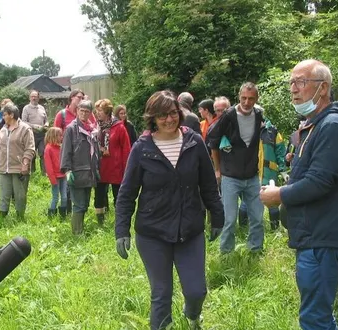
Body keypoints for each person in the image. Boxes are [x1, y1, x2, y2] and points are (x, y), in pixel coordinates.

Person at [260, 59, 338, 330]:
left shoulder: (333, 125)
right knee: (318, 314)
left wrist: (279, 194)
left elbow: (320, 182)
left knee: (314, 318)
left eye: (302, 82)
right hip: (313, 234)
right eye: (291, 82)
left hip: (323, 235)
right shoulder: (314, 124)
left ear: (324, 88)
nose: (294, 89)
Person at [115, 90, 224, 330]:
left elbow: (207, 184)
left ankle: (193, 316)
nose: (169, 119)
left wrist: (217, 216)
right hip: (152, 233)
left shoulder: (194, 142)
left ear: (180, 113)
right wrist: (121, 229)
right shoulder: (142, 148)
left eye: (173, 113)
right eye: (162, 115)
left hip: (190, 230)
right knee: (161, 294)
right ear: (152, 118)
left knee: (196, 290)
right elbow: (127, 192)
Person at [207, 82, 265, 254]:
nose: (247, 102)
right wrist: (218, 170)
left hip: (252, 176)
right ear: (239, 97)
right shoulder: (228, 116)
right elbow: (213, 142)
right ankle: (226, 254)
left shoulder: (259, 115)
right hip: (230, 176)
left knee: (257, 218)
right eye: (244, 98)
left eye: (251, 98)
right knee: (229, 220)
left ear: (257, 99)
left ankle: (255, 250)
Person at [238, 117, 286, 230]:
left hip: (269, 175)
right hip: (250, 175)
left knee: (272, 203)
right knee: (245, 203)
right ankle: (242, 230)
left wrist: (283, 170)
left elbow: (280, 152)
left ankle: (275, 230)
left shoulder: (272, 132)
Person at [60, 100, 100, 235]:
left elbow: (94, 152)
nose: (83, 113)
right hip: (76, 173)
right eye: (81, 110)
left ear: (90, 113)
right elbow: (65, 151)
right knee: (78, 205)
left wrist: (96, 169)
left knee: (85, 205)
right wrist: (67, 170)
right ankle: (77, 233)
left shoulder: (92, 129)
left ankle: (80, 229)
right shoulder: (71, 129)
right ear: (77, 111)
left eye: (87, 111)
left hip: (89, 173)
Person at [93, 99, 131, 224]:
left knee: (118, 195)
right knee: (99, 194)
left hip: (116, 167)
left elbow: (126, 148)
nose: (97, 113)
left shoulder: (119, 126)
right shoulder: (96, 126)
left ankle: (120, 220)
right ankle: (100, 221)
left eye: (100, 110)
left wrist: (127, 168)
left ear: (108, 111)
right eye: (97, 110)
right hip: (101, 166)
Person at [0, 103, 36, 220]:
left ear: (11, 115)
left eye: (4, 115)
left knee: (20, 196)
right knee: (4, 194)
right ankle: (2, 219)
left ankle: (20, 218)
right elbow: (1, 145)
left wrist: (25, 164)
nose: (3, 117)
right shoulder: (3, 129)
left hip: (19, 168)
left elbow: (30, 148)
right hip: (4, 167)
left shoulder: (25, 129)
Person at [22, 90, 49, 174]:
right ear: (29, 98)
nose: (34, 98)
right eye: (32, 96)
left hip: (42, 134)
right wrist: (34, 126)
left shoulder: (42, 108)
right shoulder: (26, 108)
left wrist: (46, 124)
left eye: (35, 96)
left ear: (38, 98)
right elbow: (23, 122)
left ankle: (44, 173)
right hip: (31, 134)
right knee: (32, 154)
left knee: (43, 153)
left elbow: (46, 120)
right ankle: (32, 172)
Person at [44, 127, 68, 218]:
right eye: (60, 135)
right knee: (55, 197)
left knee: (64, 197)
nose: (61, 137)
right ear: (53, 136)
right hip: (55, 177)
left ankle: (63, 216)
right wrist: (52, 179)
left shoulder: (61, 147)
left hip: (63, 176)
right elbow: (48, 166)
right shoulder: (48, 149)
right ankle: (52, 216)